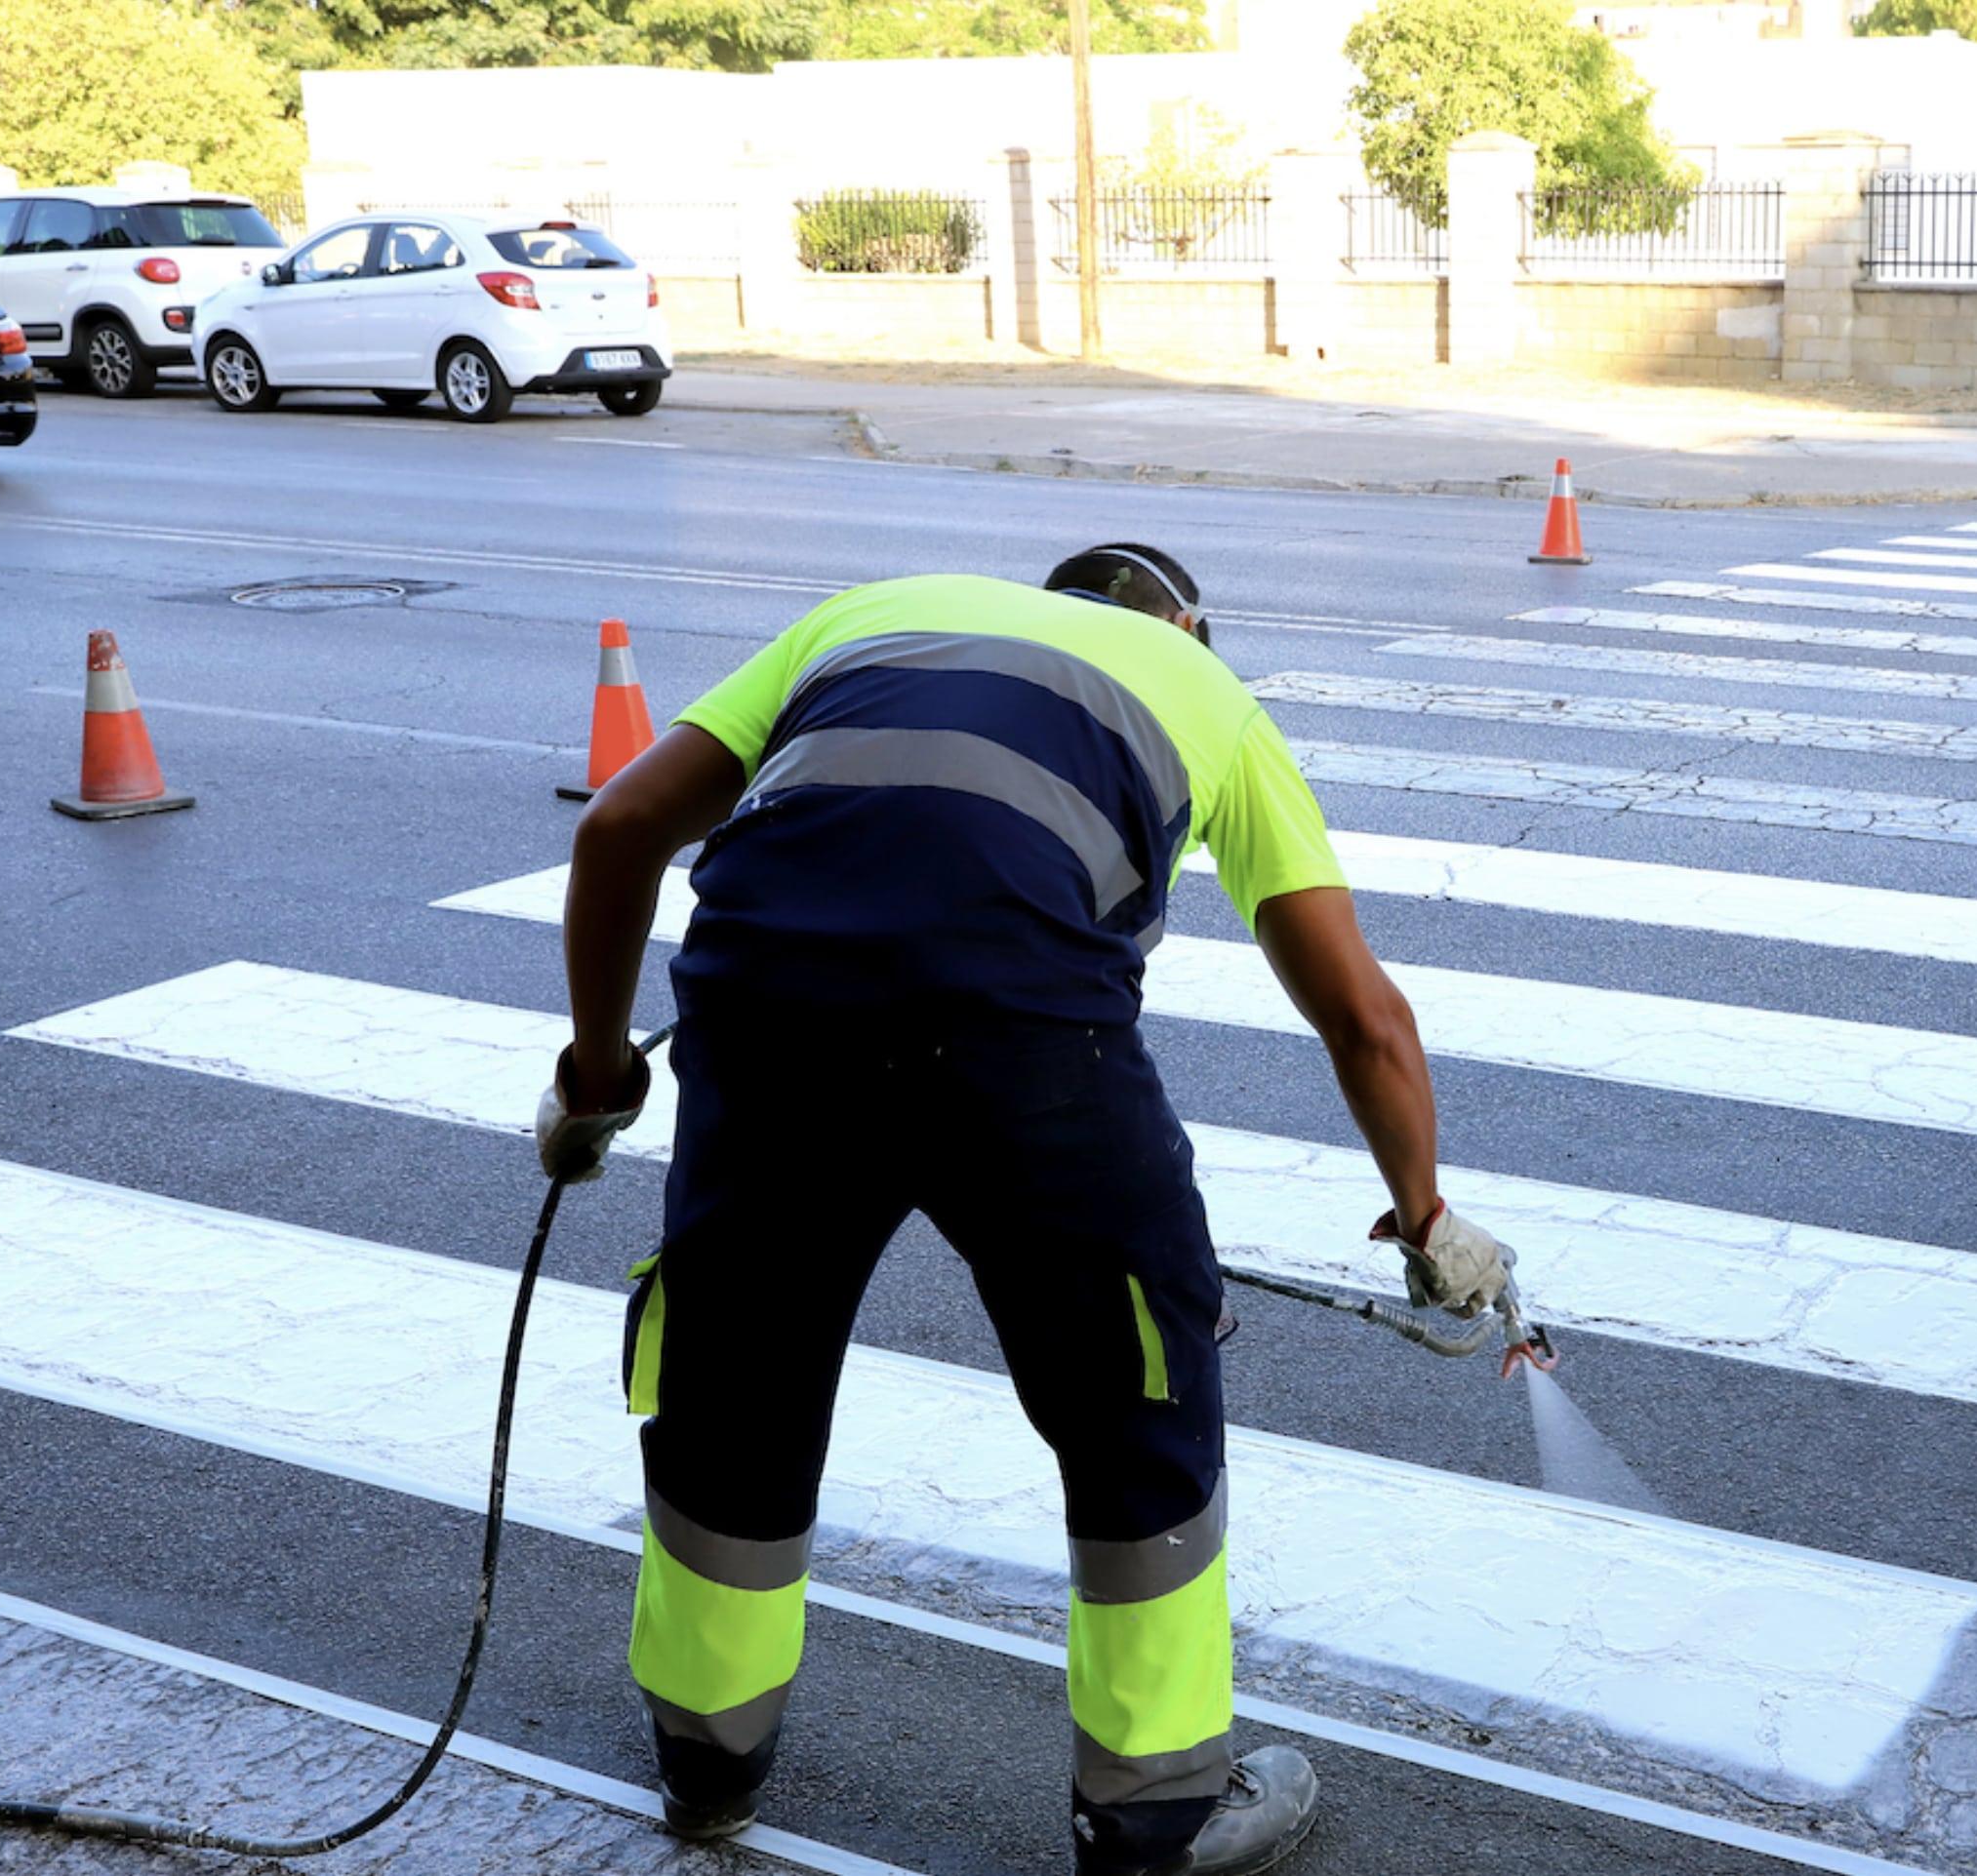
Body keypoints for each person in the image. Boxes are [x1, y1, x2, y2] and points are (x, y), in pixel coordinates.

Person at [538, 545, 1525, 1876]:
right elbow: (1362, 1013)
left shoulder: (867, 616)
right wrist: (1424, 1219)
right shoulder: (1201, 687)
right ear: (1188, 625)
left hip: (767, 1020)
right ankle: (1155, 1817)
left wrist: (597, 1079)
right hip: (1030, 1056)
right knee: (1139, 1410)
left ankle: (707, 1765)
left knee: (736, 1389)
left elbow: (616, 830)